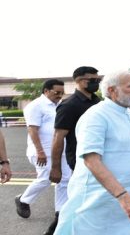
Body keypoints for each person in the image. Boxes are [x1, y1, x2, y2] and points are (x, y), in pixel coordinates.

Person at [54, 70, 130, 234]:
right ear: (112, 90)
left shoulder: (127, 113)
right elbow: (91, 160)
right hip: (102, 199)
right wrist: (122, 196)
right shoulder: (96, 116)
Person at [14, 79, 71, 235]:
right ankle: (23, 200)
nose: (60, 96)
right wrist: (40, 151)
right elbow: (32, 130)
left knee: (64, 179)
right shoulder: (35, 106)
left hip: (59, 151)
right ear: (46, 91)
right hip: (42, 152)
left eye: (62, 93)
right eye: (56, 92)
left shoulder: (59, 105)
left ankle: (60, 212)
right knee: (46, 177)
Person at [48, 66, 100, 234]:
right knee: (81, 199)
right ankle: (56, 229)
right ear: (78, 81)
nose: (95, 83)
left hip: (98, 156)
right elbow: (58, 137)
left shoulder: (97, 101)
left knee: (91, 198)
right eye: (91, 80)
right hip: (80, 160)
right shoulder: (69, 105)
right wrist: (55, 168)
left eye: (97, 80)